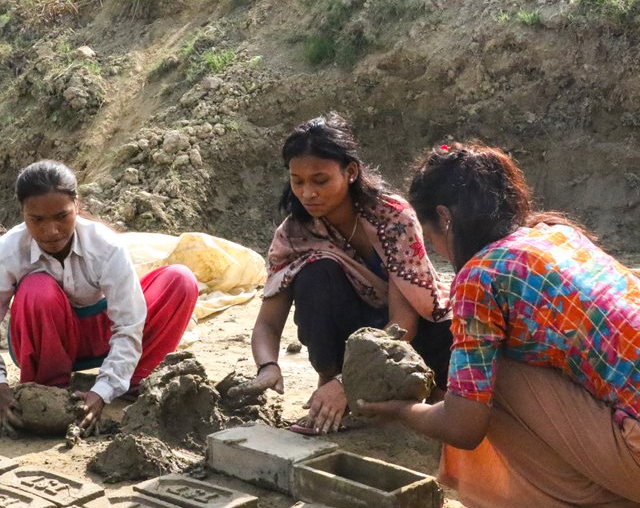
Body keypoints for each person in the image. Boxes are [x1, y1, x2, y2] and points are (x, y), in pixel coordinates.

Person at [359, 141, 640, 508]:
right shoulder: (558, 236)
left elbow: (463, 427)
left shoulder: (481, 275)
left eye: (432, 235)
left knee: (485, 383)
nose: (436, 248)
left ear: (444, 218)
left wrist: (402, 411)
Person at [232, 112, 452, 435]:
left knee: (449, 337)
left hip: (409, 335)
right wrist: (268, 366)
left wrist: (347, 382)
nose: (307, 193)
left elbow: (403, 325)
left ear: (350, 172)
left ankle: (410, 401)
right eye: (298, 181)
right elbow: (267, 323)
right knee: (314, 274)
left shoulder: (392, 218)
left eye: (319, 181)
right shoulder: (293, 234)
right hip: (351, 337)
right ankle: (331, 395)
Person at [0, 160, 199, 435]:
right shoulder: (9, 251)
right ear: (22, 213)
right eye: (37, 220)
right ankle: (48, 389)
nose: (51, 231)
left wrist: (103, 391)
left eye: (61, 216)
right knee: (37, 289)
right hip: (46, 338)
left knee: (181, 280)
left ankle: (130, 380)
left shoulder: (105, 245)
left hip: (101, 331)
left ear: (77, 206)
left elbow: (128, 323)